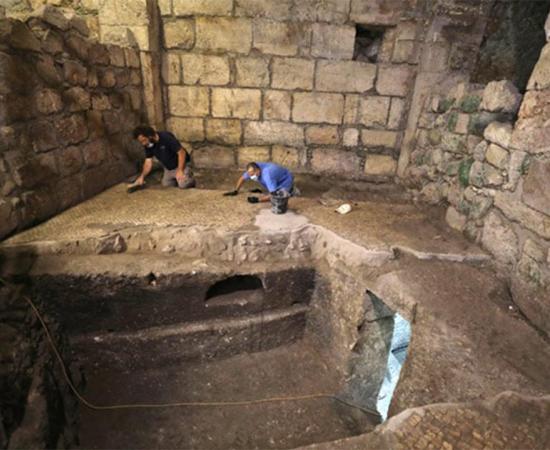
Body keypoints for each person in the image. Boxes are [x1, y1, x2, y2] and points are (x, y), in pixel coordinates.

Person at [131, 125, 196, 189]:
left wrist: (180, 170)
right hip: (168, 168)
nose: (143, 143)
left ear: (150, 136)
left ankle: (189, 177)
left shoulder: (166, 137)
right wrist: (142, 177)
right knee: (166, 186)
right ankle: (178, 179)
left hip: (181, 165)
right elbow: (148, 162)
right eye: (141, 142)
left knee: (183, 185)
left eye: (144, 140)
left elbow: (181, 152)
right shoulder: (148, 145)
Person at [224, 162, 297, 214]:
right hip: (275, 177)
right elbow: (242, 178)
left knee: (279, 197)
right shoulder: (253, 168)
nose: (251, 177)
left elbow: (274, 195)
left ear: (258, 170)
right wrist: (236, 190)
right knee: (270, 186)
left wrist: (258, 200)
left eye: (252, 175)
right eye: (250, 175)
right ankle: (271, 188)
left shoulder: (267, 175)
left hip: (286, 180)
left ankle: (291, 190)